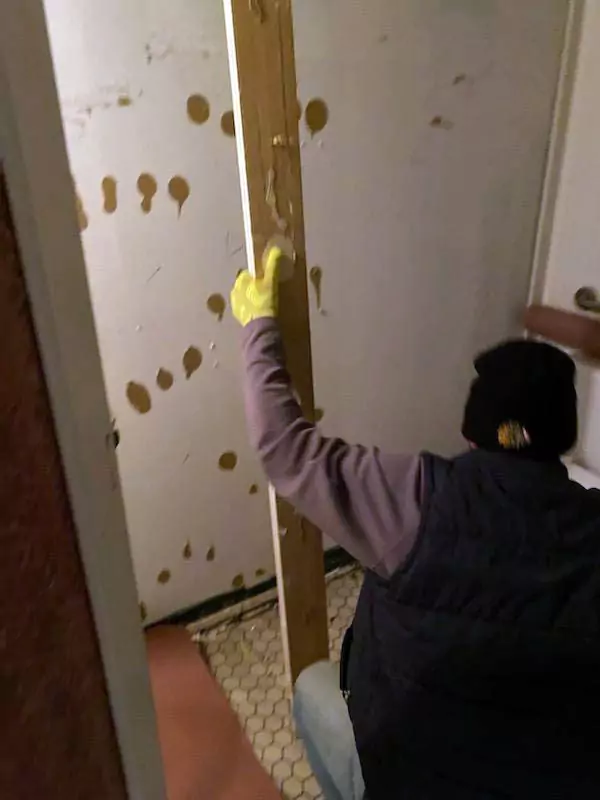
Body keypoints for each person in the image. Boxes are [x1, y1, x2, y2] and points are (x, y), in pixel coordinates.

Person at [230, 248, 600, 799]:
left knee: (311, 688)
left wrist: (259, 328)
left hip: (412, 781)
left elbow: (284, 449)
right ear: (563, 441)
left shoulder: (415, 500)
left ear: (469, 431)